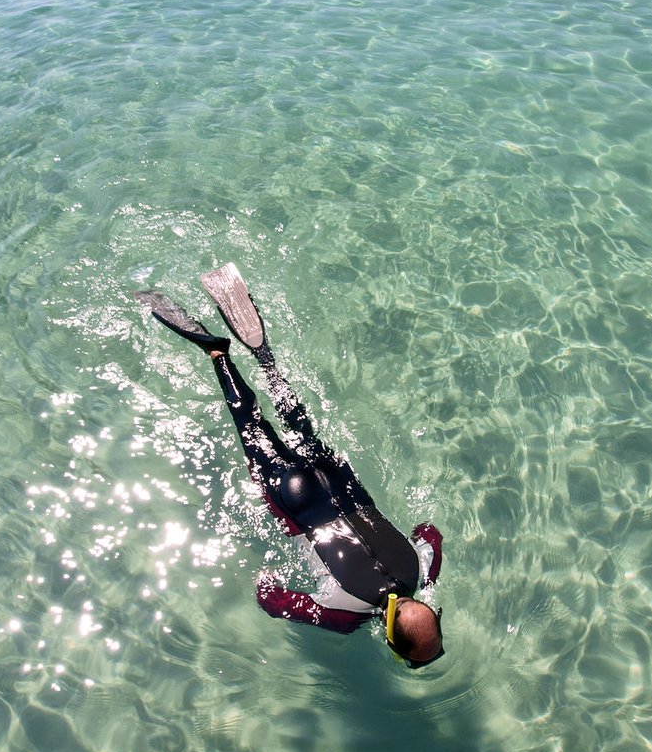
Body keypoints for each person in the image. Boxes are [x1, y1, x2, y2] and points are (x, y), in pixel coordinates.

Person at [137, 264, 444, 667]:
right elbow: (271, 598)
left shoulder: (423, 566)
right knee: (251, 423)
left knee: (299, 425)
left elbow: (429, 532)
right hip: (297, 505)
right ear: (388, 640)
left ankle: (263, 357)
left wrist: (427, 581)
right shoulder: (344, 614)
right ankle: (217, 352)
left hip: (339, 482)